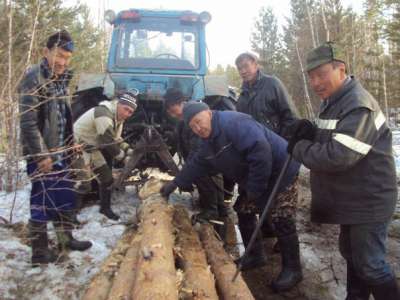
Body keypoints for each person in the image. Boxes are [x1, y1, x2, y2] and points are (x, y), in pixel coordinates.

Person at [288, 42, 400, 299]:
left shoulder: (358, 105)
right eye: (312, 77)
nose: (316, 82)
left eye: (321, 74)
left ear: (341, 69)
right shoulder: (333, 100)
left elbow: (339, 156)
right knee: (352, 255)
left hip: (369, 199)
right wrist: (311, 132)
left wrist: (299, 148)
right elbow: (331, 138)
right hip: (353, 197)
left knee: (371, 265)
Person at [160, 102, 303, 292]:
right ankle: (254, 255)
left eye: (198, 121)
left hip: (281, 169)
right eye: (192, 126)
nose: (197, 128)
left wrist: (255, 189)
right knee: (243, 210)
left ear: (209, 113)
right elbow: (196, 164)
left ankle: (293, 269)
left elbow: (260, 152)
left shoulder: (233, 123)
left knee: (281, 217)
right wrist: (174, 183)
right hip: (256, 175)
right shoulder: (207, 143)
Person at [19, 30, 92, 266]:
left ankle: (65, 240)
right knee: (42, 201)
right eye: (59, 55)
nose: (62, 62)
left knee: (64, 197)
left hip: (60, 153)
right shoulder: (34, 77)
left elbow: (61, 117)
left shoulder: (60, 79)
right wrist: (41, 155)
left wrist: (70, 145)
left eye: (67, 58)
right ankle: (39, 253)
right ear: (46, 52)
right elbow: (28, 121)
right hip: (42, 155)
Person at [73, 91, 137, 220]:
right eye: (125, 109)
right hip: (77, 148)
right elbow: (108, 142)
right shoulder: (104, 113)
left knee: (107, 178)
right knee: (83, 184)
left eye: (130, 112)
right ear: (118, 104)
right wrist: (124, 158)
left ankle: (105, 208)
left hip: (91, 147)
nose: (127, 114)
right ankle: (68, 215)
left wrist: (129, 150)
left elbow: (116, 139)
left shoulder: (118, 119)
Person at [235, 52, 298, 140]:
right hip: (257, 149)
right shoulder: (242, 98)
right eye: (240, 68)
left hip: (279, 146)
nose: (243, 71)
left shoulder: (272, 84)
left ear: (255, 65)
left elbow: (291, 117)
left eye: (246, 66)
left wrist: (282, 142)